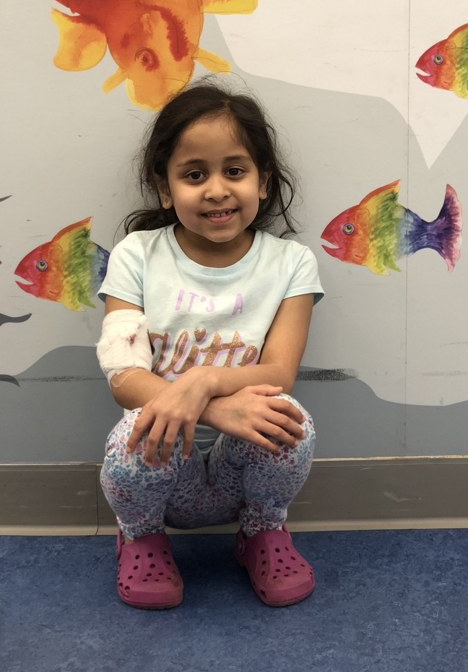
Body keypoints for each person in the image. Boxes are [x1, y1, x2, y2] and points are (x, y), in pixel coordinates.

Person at [96, 79, 324, 610]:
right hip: (159, 459)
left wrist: (200, 381)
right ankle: (141, 536)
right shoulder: (136, 254)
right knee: (139, 422)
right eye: (194, 174)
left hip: (238, 472)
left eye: (235, 171)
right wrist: (216, 409)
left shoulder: (292, 263)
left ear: (263, 182)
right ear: (164, 187)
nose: (216, 189)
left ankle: (262, 531)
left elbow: (280, 372)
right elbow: (124, 375)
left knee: (289, 416)